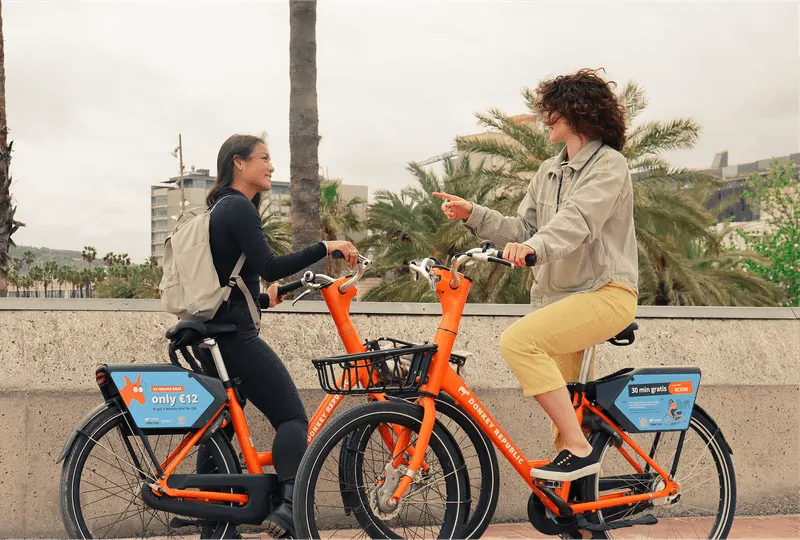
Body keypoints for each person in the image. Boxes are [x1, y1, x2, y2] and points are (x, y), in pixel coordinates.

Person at [434, 69, 638, 482]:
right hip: (559, 298)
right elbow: (524, 229)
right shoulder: (549, 170)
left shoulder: (609, 165)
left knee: (519, 341)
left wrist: (533, 249)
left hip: (606, 291)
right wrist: (474, 213)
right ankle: (582, 516)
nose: (546, 119)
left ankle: (581, 449)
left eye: (553, 111)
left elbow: (578, 221)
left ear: (577, 113)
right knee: (566, 425)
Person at [201, 133, 359, 537]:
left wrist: (262, 298)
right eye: (264, 158)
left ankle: (213, 520)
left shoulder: (221, 207)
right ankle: (290, 506)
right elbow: (270, 264)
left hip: (213, 331)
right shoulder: (237, 206)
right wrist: (327, 245)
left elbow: (232, 276)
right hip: (235, 335)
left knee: (219, 427)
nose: (271, 167)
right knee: (291, 417)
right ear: (239, 163)